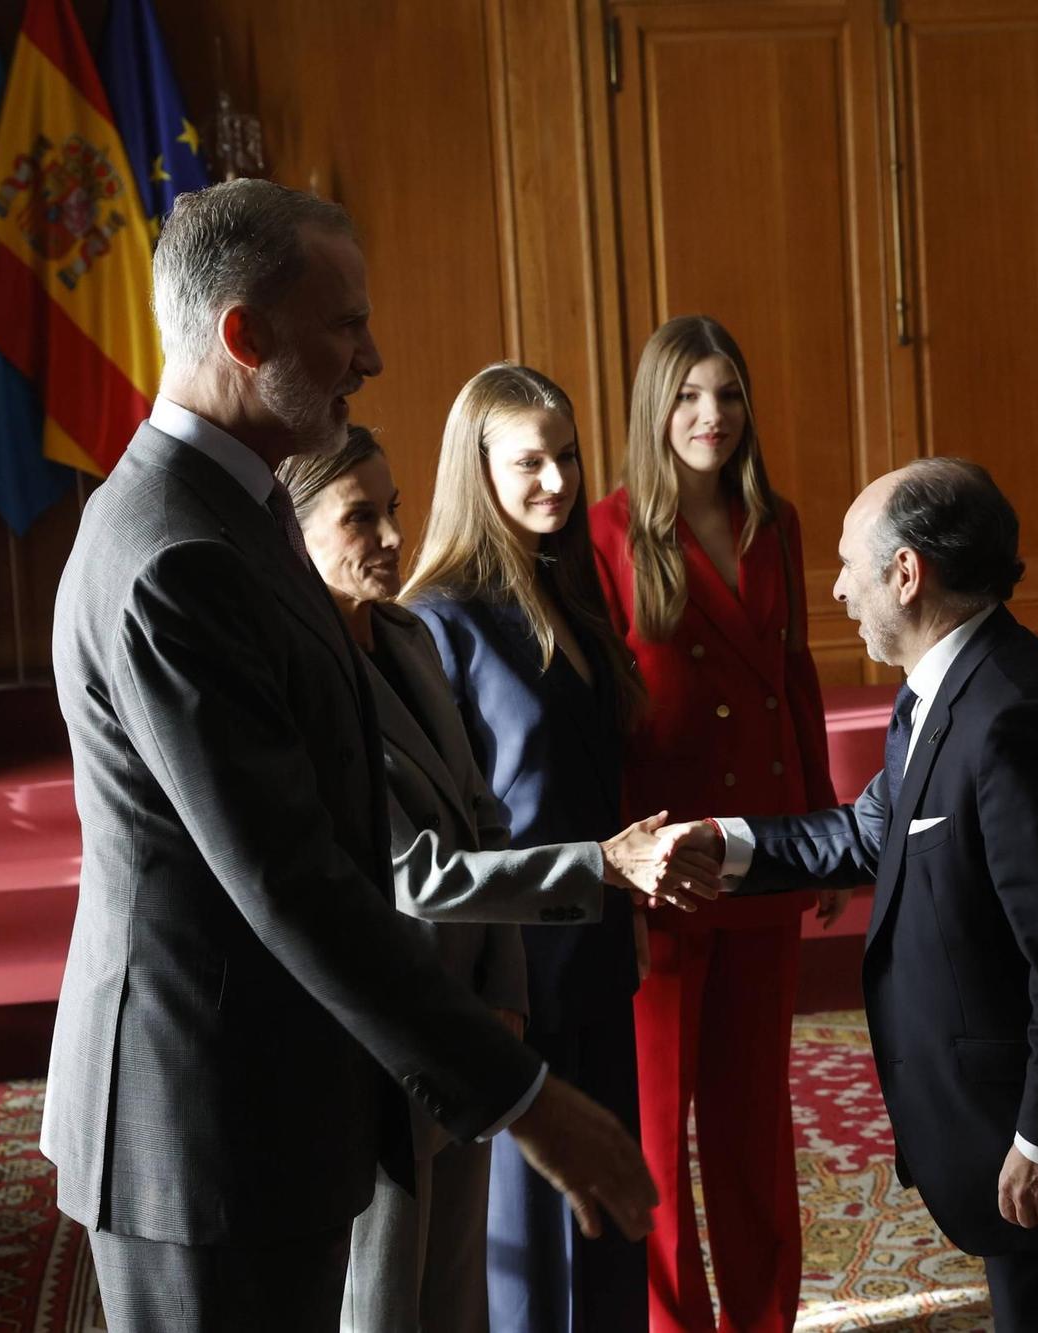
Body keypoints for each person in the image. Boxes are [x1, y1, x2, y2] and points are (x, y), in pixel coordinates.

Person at [43, 180, 657, 1333]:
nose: (370, 357)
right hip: (201, 1129)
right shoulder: (177, 551)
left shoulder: (233, 511)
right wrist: (525, 1097)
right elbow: (289, 877)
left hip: (272, 1102)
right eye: (344, 325)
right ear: (243, 335)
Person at [668, 459, 1038, 1331]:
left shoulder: (1013, 716)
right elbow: (869, 832)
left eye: (849, 564)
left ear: (906, 572)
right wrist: (723, 843)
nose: (838, 590)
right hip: (1015, 1122)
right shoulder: (945, 688)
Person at [277, 427, 720, 1332]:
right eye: (360, 518)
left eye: (393, 509)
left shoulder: (403, 636)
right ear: (294, 528)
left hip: (474, 1012)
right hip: (385, 1023)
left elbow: (483, 815)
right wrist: (603, 864)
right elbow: (416, 873)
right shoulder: (303, 671)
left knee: (460, 1296)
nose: (391, 537)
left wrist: (504, 988)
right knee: (385, 1303)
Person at [590, 316, 841, 1332]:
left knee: (752, 1122)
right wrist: (616, 861)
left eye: (728, 394)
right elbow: (598, 716)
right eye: (689, 396)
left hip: (762, 852)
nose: (711, 415)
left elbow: (793, 680)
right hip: (666, 866)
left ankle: (763, 1319)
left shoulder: (772, 521)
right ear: (655, 407)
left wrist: (823, 833)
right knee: (658, 1124)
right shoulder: (605, 532)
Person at [399, 363, 653, 1332]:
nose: (557, 480)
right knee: (530, 1263)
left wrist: (623, 914)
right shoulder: (438, 623)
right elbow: (447, 837)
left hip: (594, 950)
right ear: (477, 470)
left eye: (569, 456)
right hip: (514, 976)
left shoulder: (571, 592)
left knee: (609, 1226)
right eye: (530, 462)